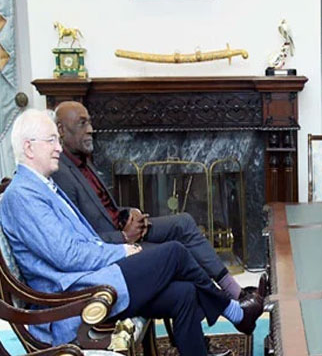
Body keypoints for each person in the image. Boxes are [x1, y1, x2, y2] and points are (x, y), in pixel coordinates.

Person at [0, 109, 264, 356]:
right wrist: (121, 250)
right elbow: (66, 255)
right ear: (28, 147)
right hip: (74, 299)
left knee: (183, 294)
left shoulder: (41, 187)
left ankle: (229, 318)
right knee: (174, 252)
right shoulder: (22, 195)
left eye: (57, 140)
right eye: (51, 141)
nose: (59, 147)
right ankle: (234, 311)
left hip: (91, 280)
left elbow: (79, 243)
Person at [51, 101, 261, 301]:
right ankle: (227, 304)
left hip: (123, 227)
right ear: (60, 129)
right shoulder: (61, 173)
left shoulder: (83, 161)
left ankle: (234, 291)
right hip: (113, 246)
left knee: (184, 222)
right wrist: (124, 237)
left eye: (89, 122)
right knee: (177, 252)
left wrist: (130, 213)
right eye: (82, 123)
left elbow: (105, 208)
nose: (90, 129)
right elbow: (81, 238)